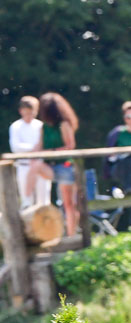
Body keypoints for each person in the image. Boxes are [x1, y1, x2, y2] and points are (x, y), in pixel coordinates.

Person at [25, 92, 79, 236]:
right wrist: (30, 154)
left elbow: (70, 145)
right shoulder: (44, 127)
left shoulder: (64, 124)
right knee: (34, 165)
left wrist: (50, 151)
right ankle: (26, 201)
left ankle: (71, 234)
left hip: (65, 167)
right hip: (51, 167)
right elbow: (39, 145)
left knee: (68, 204)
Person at [8, 96, 51, 208]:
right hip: (24, 166)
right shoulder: (16, 126)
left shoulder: (40, 125)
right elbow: (15, 147)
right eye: (26, 113)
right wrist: (34, 148)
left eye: (31, 113)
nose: (29, 116)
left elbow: (45, 144)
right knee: (27, 201)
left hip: (40, 166)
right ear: (21, 111)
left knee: (44, 201)